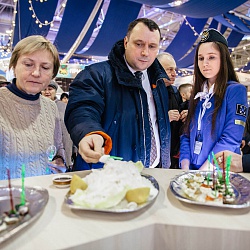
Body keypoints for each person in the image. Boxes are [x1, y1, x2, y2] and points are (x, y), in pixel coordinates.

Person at [65, 18, 171, 170]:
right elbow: (83, 108)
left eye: (152, 46)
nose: (145, 52)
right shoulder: (96, 74)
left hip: (152, 171)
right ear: (126, 42)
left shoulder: (158, 81)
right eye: (139, 44)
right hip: (107, 175)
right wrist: (89, 133)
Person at [0, 35, 67, 180]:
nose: (36, 73)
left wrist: (60, 161)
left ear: (52, 74)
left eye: (45, 67)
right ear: (13, 66)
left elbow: (57, 147)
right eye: (28, 64)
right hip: (8, 198)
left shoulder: (51, 107)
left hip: (45, 193)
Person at [180, 28, 248, 170]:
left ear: (223, 58)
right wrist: (185, 164)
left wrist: (203, 170)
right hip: (192, 171)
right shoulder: (197, 95)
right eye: (201, 58)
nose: (205, 63)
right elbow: (186, 134)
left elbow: (230, 139)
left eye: (211, 57)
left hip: (218, 173)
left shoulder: (235, 91)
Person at [157, 52, 188, 169]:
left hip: (172, 150)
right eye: (170, 70)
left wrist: (187, 113)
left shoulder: (175, 91)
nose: (174, 74)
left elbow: (181, 112)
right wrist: (164, 117)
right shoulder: (147, 91)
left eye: (174, 69)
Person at [41, 80, 74, 167]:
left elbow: (72, 126)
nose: (47, 92)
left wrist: (75, 149)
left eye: (50, 89)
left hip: (66, 145)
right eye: (44, 89)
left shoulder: (63, 106)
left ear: (55, 91)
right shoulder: (38, 107)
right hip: (48, 148)